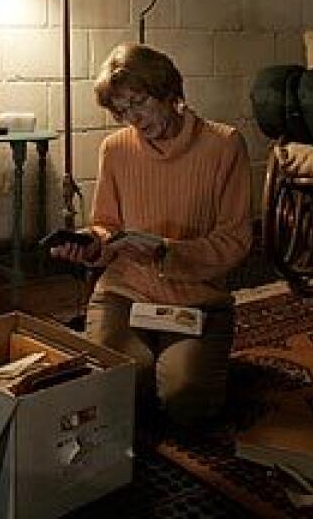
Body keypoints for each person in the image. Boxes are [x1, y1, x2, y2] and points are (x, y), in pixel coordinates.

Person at [50, 42, 251, 427]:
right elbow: (106, 226)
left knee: (184, 400)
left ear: (168, 91)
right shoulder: (116, 149)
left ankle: (186, 359)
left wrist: (165, 252)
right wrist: (92, 246)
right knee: (118, 386)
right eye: (122, 111)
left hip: (197, 300)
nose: (134, 119)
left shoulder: (224, 145)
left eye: (139, 102)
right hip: (125, 294)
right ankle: (152, 360)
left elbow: (236, 239)